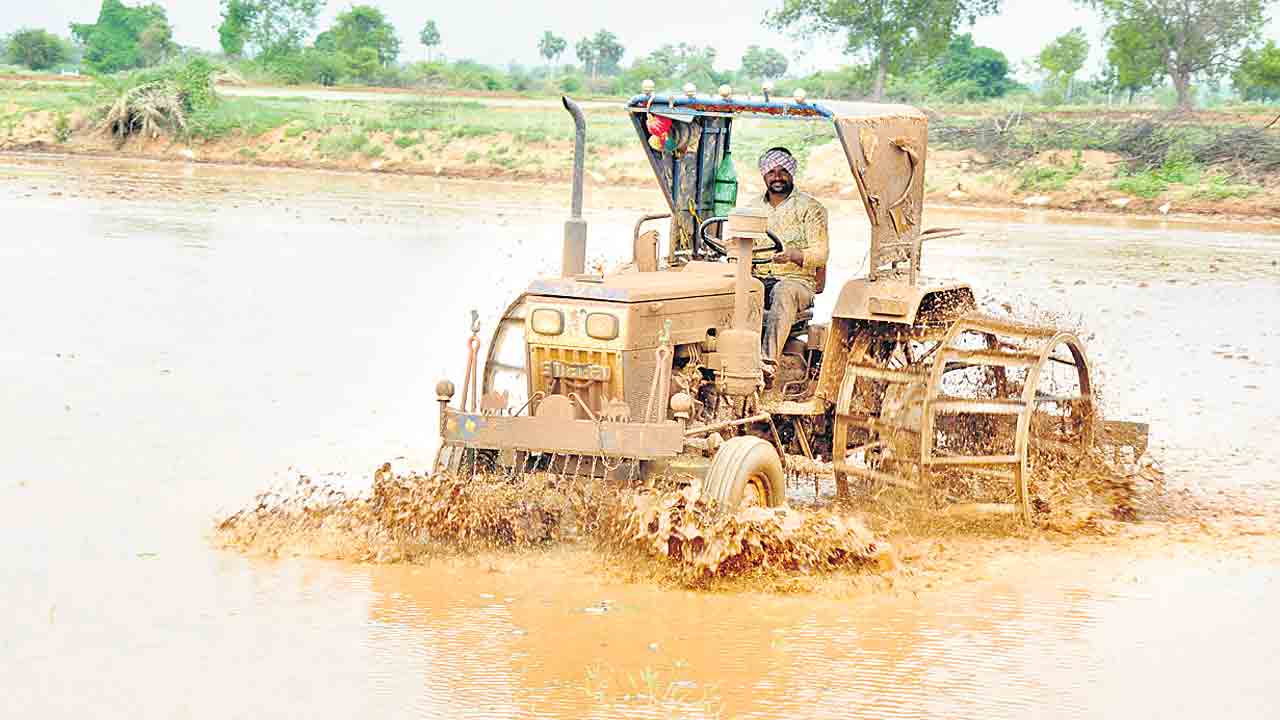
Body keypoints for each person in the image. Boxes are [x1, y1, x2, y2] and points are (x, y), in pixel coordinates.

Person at [753, 147, 829, 374]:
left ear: (791, 173)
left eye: (783, 171)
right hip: (760, 278)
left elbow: (821, 254)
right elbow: (738, 242)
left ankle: (767, 363)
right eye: (771, 172)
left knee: (784, 290)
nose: (777, 177)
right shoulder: (752, 208)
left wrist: (794, 255)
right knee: (734, 287)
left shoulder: (811, 208)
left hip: (798, 283)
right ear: (764, 175)